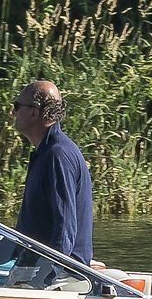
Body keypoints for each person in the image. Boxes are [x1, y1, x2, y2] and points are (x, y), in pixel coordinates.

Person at [12, 80, 92, 264]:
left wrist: (43, 280)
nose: (13, 112)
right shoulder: (44, 154)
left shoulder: (58, 156)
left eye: (17, 106)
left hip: (64, 274)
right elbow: (22, 238)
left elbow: (65, 232)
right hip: (35, 267)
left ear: (35, 112)